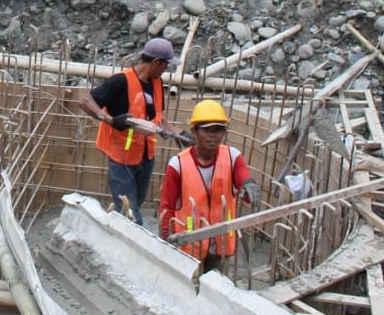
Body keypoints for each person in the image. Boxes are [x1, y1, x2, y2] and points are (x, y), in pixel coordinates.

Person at [79, 37, 185, 225]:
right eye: (165, 64)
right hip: (121, 158)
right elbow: (85, 101)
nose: (166, 69)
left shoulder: (157, 83)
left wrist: (177, 131)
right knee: (131, 214)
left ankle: (118, 228)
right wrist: (109, 120)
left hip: (145, 156)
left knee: (136, 202)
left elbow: (159, 117)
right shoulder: (120, 81)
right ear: (156, 62)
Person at [158, 100, 261, 273]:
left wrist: (249, 185)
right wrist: (166, 239)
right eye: (207, 130)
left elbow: (245, 186)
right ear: (194, 132)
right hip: (190, 245)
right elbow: (167, 207)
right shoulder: (178, 165)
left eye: (218, 129)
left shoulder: (233, 157)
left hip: (222, 245)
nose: (213, 135)